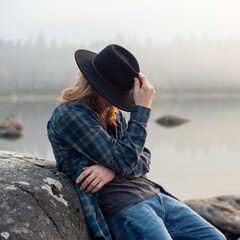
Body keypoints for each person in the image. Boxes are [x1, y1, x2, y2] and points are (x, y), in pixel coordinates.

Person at [47, 44, 225, 240]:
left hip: (153, 194)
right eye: (111, 93)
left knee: (216, 238)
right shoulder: (71, 116)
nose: (116, 100)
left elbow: (144, 158)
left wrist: (111, 171)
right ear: (93, 84)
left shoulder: (111, 112)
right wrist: (141, 110)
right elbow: (125, 160)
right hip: (123, 207)